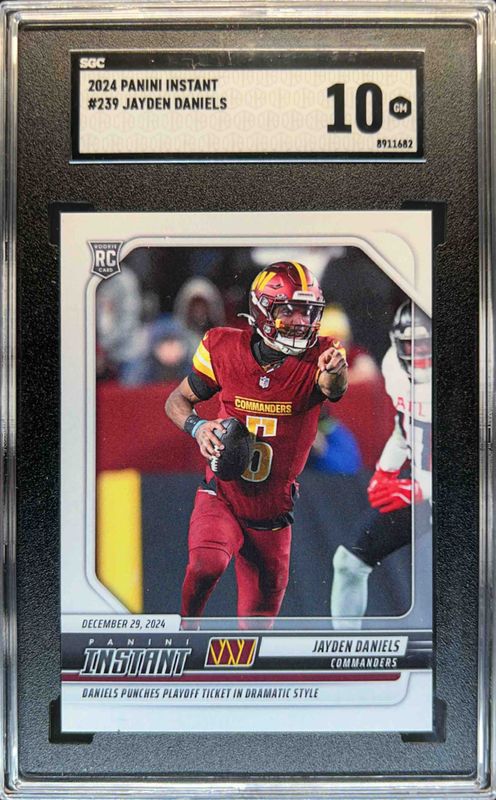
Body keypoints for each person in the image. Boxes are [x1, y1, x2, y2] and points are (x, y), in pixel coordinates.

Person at [165, 261, 348, 626]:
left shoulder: (321, 357)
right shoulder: (224, 347)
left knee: (257, 627)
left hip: (273, 515)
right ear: (263, 309)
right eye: (288, 310)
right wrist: (198, 427)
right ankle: (185, 632)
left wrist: (335, 371)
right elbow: (177, 401)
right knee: (206, 564)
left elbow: (334, 389)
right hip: (223, 496)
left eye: (307, 312)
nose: (300, 321)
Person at [330, 301, 432, 629]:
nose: (417, 354)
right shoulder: (394, 367)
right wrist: (386, 470)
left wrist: (420, 489)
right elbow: (406, 426)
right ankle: (344, 650)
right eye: (409, 344)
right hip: (424, 487)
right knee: (349, 562)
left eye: (424, 344)